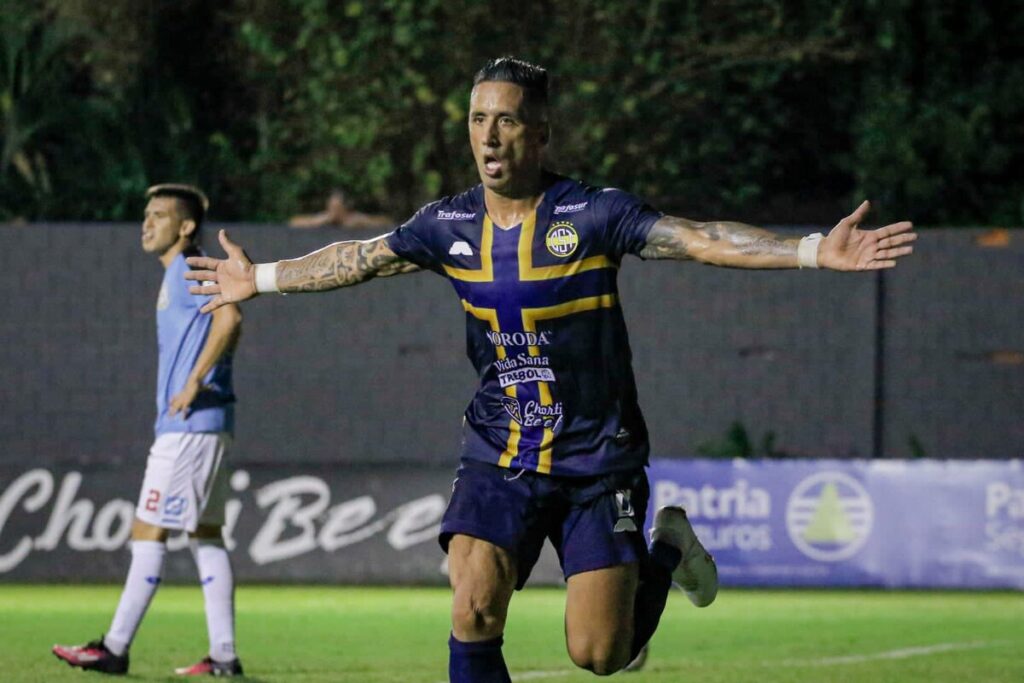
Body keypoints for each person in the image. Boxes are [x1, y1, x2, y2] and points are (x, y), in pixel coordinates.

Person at [185, 57, 915, 681]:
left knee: (599, 654)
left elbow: (698, 238)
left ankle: (667, 546)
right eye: (476, 120)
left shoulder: (594, 213)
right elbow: (362, 256)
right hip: (499, 447)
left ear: (540, 132)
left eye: (505, 120)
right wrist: (266, 278)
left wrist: (812, 249)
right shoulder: (447, 223)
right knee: (471, 601)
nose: (488, 136)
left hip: (597, 457)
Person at [53, 184, 245, 677]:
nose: (147, 223)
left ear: (185, 227)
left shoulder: (186, 270)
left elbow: (231, 317)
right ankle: (224, 655)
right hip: (208, 426)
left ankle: (113, 648)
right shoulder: (176, 273)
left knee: (148, 530)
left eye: (159, 215)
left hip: (188, 428)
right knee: (206, 535)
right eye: (146, 215)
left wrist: (192, 382)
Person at [288, 188, 394, 229]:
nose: (333, 212)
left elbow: (387, 222)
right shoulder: (323, 218)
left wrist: (363, 223)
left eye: (336, 208)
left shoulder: (355, 218)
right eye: (331, 207)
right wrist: (315, 222)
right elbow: (293, 222)